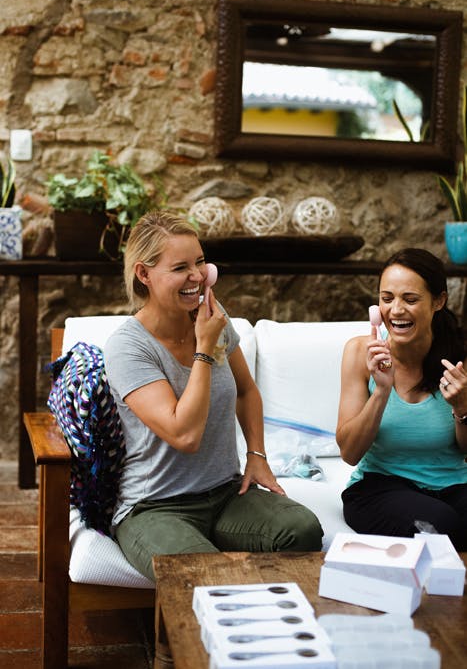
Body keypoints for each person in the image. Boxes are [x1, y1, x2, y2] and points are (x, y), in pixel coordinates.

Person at [104, 210, 323, 580]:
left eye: (200, 262)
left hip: (224, 495)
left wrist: (257, 456)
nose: (196, 276)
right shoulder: (128, 347)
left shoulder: (213, 317)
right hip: (154, 507)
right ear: (144, 274)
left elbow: (247, 391)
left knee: (302, 529)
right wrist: (204, 349)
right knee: (204, 573)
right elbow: (184, 435)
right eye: (180, 268)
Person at [337, 247, 467, 550]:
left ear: (439, 301)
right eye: (387, 299)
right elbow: (349, 453)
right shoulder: (359, 352)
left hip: (454, 484)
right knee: (442, 525)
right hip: (378, 488)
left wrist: (462, 407)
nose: (395, 310)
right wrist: (381, 390)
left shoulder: (460, 359)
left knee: (449, 520)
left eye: (410, 299)